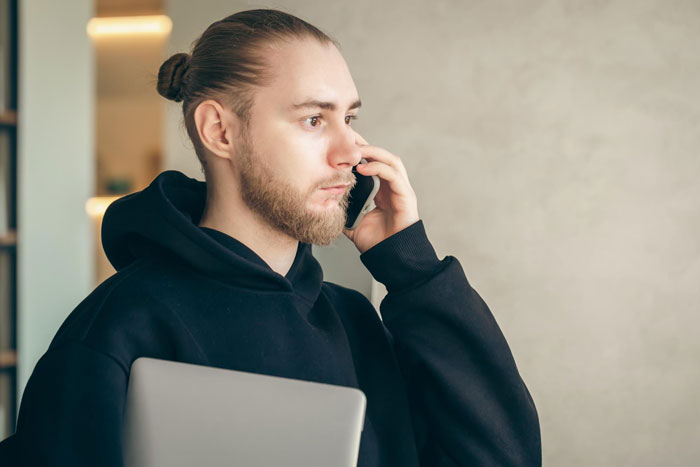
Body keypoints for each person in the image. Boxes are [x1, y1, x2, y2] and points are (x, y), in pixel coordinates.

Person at [0, 8, 541, 466]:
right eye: (313, 120)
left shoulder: (357, 324)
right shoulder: (120, 326)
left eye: (349, 117)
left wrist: (414, 271)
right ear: (220, 131)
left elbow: (501, 455)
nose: (352, 152)